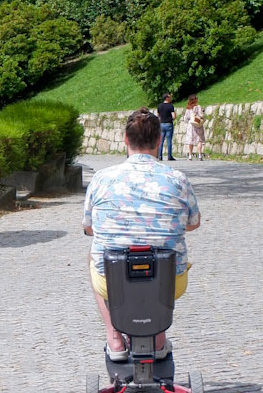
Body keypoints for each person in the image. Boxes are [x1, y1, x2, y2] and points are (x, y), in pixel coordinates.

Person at [83, 108, 201, 363]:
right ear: (159, 141)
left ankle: (114, 337)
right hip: (169, 281)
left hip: (113, 279)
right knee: (161, 266)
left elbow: (89, 227)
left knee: (93, 258)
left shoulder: (102, 179)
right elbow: (193, 223)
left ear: (125, 139)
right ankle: (158, 338)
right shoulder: (178, 179)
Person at [183, 94, 206, 160]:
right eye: (196, 98)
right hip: (197, 124)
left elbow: (185, 118)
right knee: (199, 140)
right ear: (194, 100)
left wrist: (190, 119)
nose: (197, 99)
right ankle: (200, 155)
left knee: (191, 140)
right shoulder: (198, 107)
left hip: (191, 125)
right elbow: (201, 115)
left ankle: (190, 156)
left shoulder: (188, 108)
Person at [156, 90, 176, 160]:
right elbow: (174, 116)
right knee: (169, 140)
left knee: (161, 140)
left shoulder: (159, 106)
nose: (170, 98)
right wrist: (171, 119)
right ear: (167, 98)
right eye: (169, 97)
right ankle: (169, 156)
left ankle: (160, 156)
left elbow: (158, 116)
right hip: (169, 124)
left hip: (162, 124)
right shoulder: (170, 106)